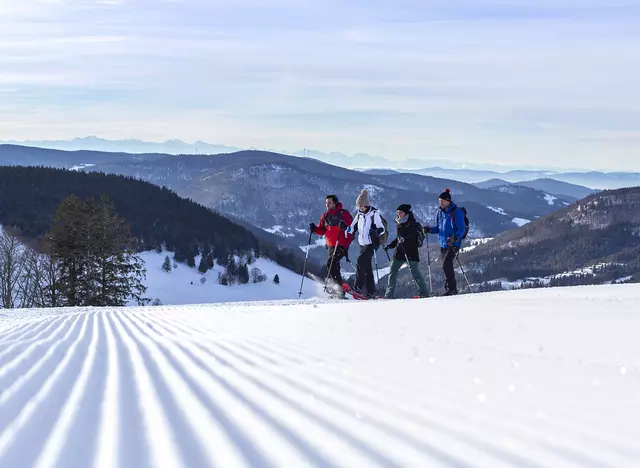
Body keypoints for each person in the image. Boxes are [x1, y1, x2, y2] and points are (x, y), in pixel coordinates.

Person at [423, 188, 467, 295]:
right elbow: (439, 229)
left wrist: (455, 238)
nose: (440, 203)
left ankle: (452, 289)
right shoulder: (440, 213)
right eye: (439, 201)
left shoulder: (456, 212)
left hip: (453, 244)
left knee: (446, 264)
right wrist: (429, 229)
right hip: (443, 243)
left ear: (448, 201)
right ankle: (450, 288)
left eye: (442, 201)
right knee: (446, 266)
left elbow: (462, 229)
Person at [310, 194, 353, 297]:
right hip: (331, 245)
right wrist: (315, 229)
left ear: (335, 203)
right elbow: (322, 230)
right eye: (326, 203)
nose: (327, 204)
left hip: (342, 244)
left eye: (329, 202)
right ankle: (339, 290)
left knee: (331, 264)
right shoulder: (325, 216)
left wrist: (344, 227)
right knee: (334, 266)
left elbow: (352, 229)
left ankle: (338, 289)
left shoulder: (344, 214)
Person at [383, 204, 430, 299]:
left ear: (406, 213)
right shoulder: (399, 222)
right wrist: (390, 246)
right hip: (399, 251)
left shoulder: (411, 223)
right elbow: (398, 238)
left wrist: (403, 239)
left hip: (411, 252)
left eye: (400, 212)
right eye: (397, 213)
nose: (399, 214)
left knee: (415, 273)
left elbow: (412, 238)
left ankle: (424, 293)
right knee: (392, 272)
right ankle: (388, 295)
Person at [345, 189, 386, 298]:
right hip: (362, 244)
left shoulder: (374, 214)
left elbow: (382, 229)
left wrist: (376, 232)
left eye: (362, 206)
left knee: (360, 261)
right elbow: (352, 227)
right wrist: (345, 229)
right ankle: (371, 291)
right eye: (358, 206)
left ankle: (358, 286)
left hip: (372, 243)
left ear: (366, 205)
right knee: (367, 267)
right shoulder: (359, 215)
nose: (360, 208)